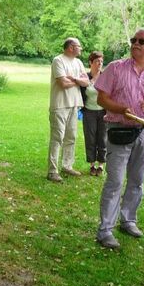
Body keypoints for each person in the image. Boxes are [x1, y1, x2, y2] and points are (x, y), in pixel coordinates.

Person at [94, 28, 144, 249]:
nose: (135, 44)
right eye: (133, 40)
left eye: (141, 41)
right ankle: (105, 230)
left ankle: (128, 220)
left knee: (137, 180)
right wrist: (120, 108)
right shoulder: (115, 68)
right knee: (115, 181)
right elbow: (101, 98)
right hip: (119, 130)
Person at [47, 38, 89, 182]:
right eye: (79, 46)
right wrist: (77, 80)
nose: (80, 49)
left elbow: (86, 82)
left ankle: (67, 165)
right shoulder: (58, 61)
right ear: (71, 47)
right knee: (57, 138)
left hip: (74, 104)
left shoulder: (78, 63)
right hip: (60, 105)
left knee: (71, 137)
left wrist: (74, 79)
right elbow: (63, 83)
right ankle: (52, 171)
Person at [80, 51, 107, 176]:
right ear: (91, 62)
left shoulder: (105, 77)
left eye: (101, 62)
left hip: (103, 112)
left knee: (102, 138)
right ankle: (92, 164)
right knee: (90, 138)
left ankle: (101, 165)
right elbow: (79, 93)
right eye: (97, 61)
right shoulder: (85, 77)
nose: (100, 64)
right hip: (89, 112)